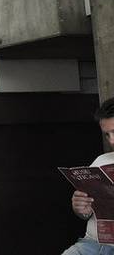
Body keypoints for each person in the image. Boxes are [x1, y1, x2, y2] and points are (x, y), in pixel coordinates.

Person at [62, 97, 114, 255]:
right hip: (93, 244)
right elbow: (86, 214)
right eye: (107, 135)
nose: (112, 141)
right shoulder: (101, 162)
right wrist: (80, 208)